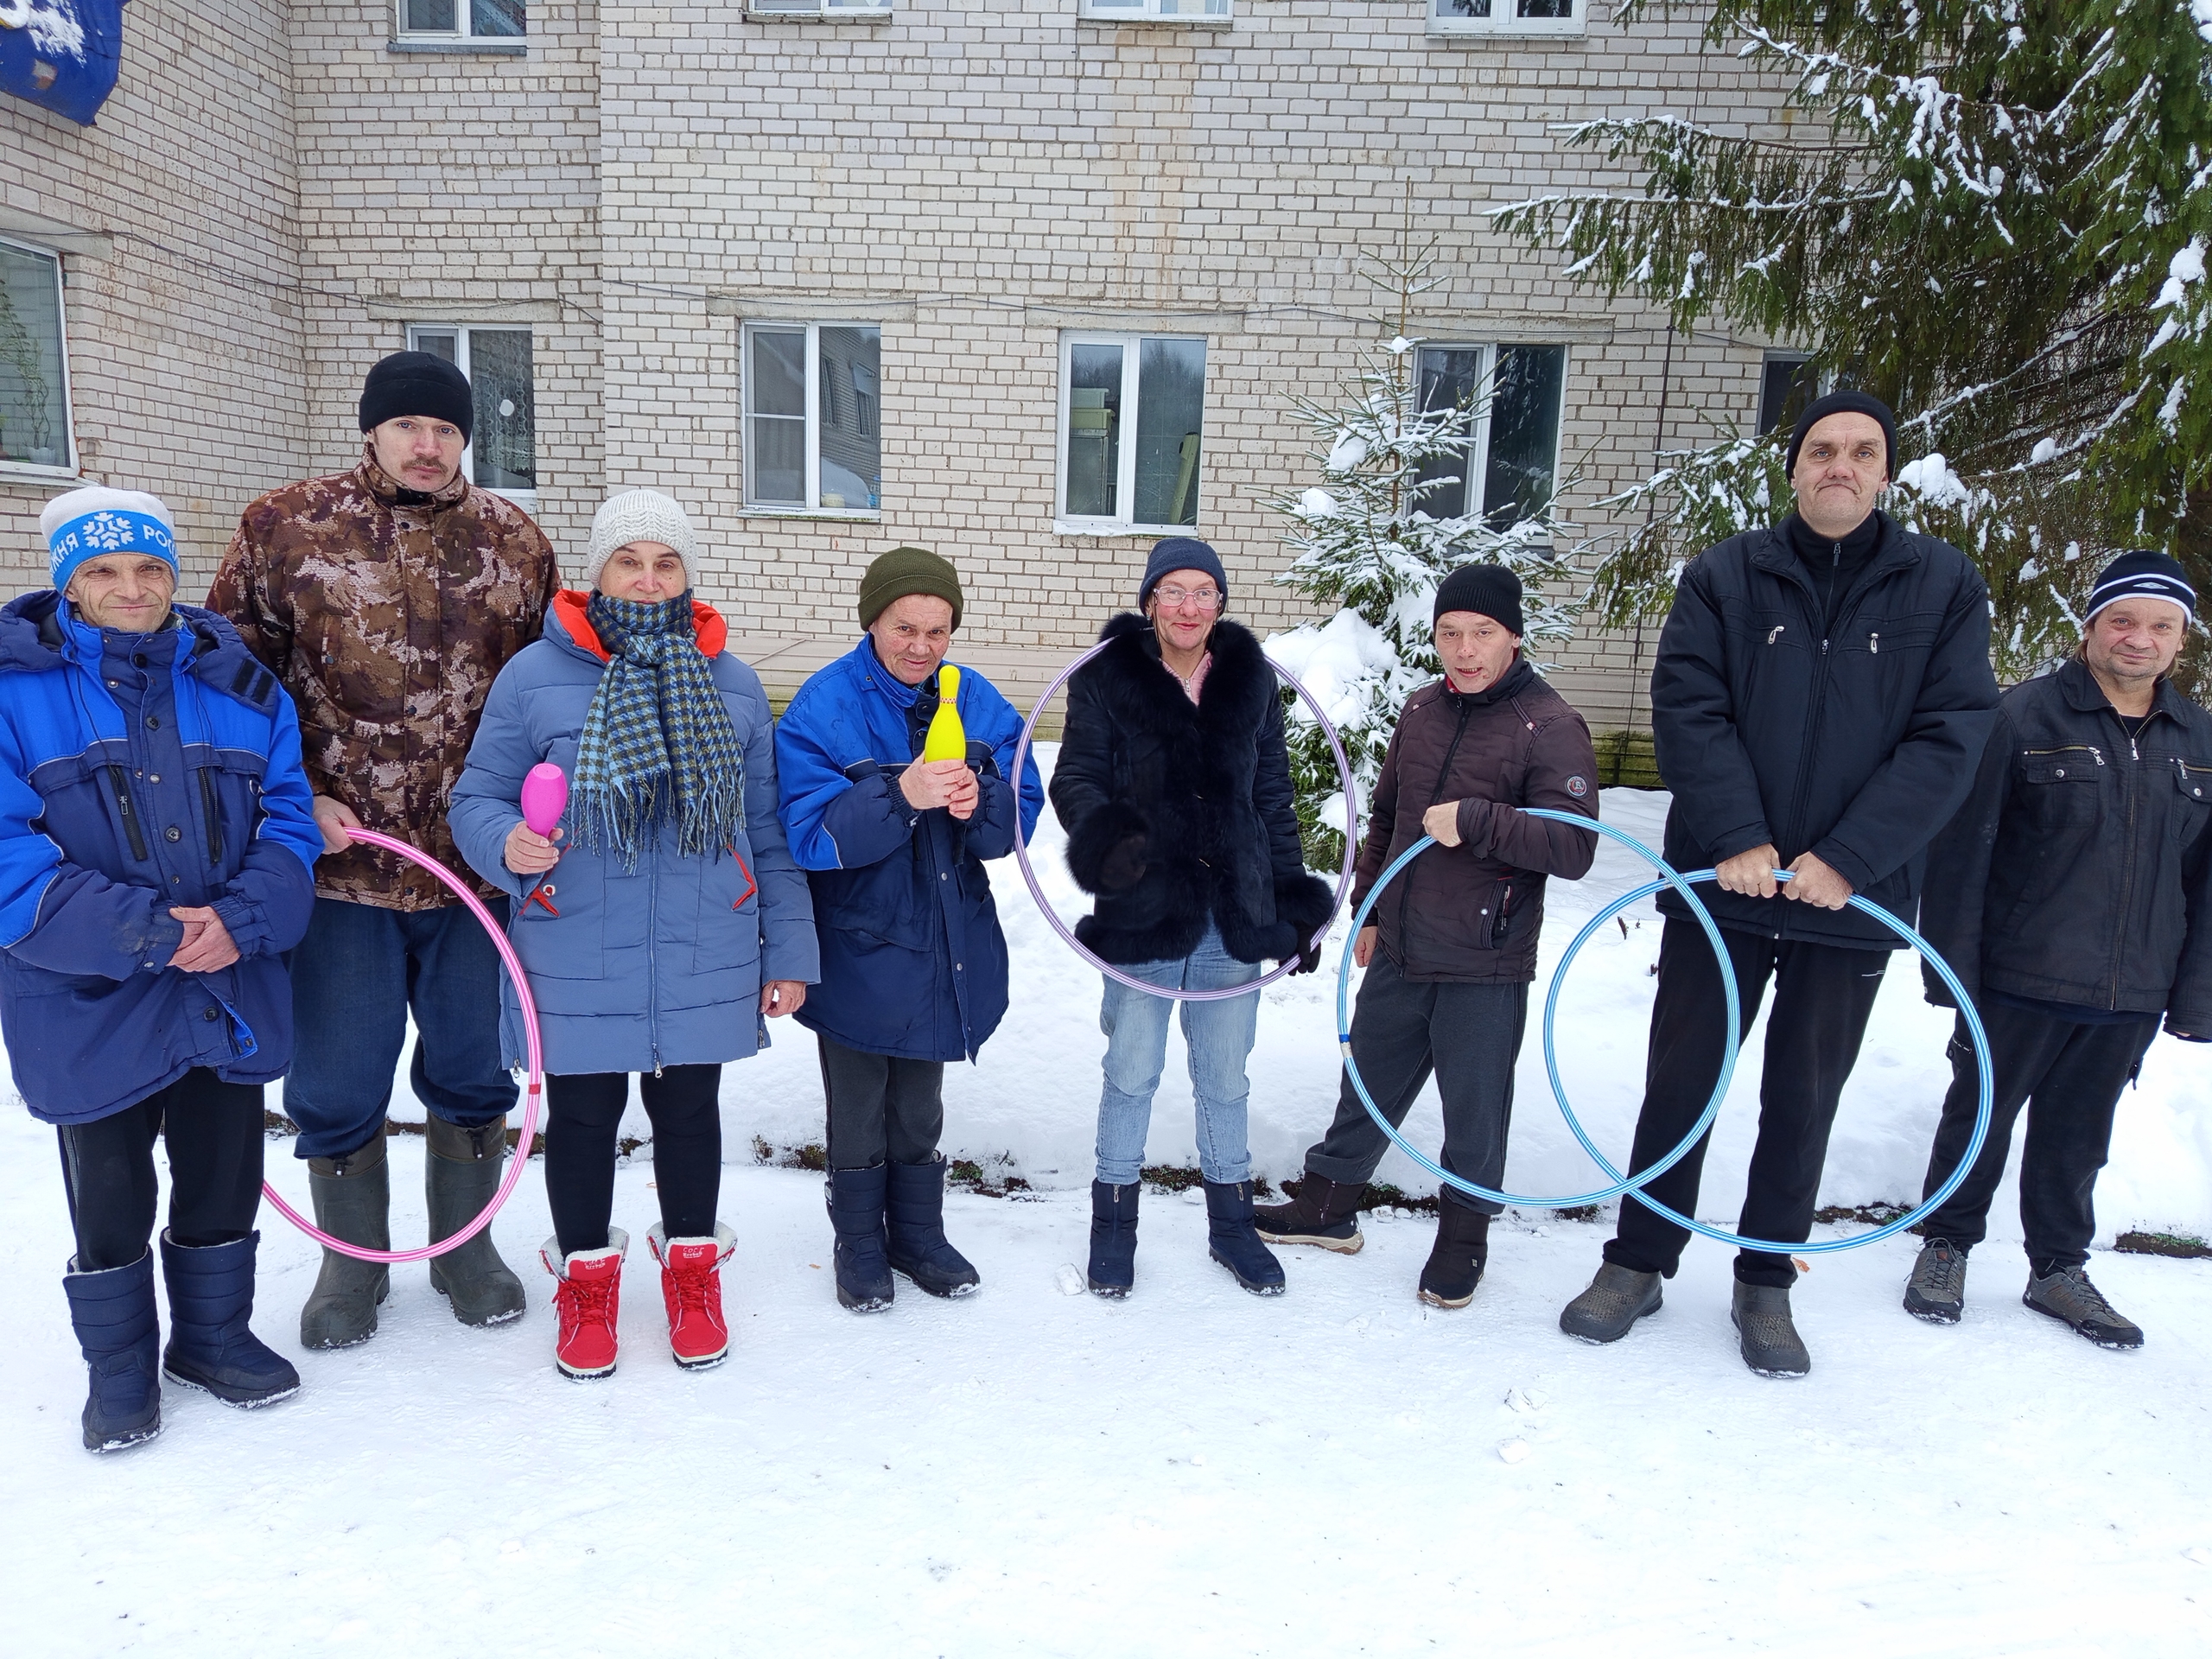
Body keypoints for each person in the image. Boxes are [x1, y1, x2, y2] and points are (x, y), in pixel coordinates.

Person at [1557, 390, 2000, 1377]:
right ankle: (1638, 1258)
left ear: (1885, 473)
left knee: (1803, 1095)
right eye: (1821, 450)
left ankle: (1766, 1281)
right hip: (1726, 885)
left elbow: (1951, 735)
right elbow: (1689, 705)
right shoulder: (1725, 575)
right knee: (1682, 1082)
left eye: (1861, 451)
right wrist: (1741, 836)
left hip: (1852, 896)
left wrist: (1851, 857)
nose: (1839, 465)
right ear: (1793, 468)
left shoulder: (1942, 586)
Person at [208, 350, 558, 1349]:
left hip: (473, 871)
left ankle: (463, 1251)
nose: (426, 444)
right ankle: (351, 1267)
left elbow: (544, 690)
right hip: (341, 869)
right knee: (339, 1076)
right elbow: (233, 685)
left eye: (446, 429)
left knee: (469, 1068)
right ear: (371, 430)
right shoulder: (285, 529)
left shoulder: (513, 541)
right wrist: (292, 797)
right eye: (408, 425)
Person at [451, 490, 817, 1377]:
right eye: (629, 561)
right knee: (581, 1118)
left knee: (690, 1113)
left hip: (707, 942)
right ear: (597, 572)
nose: (648, 579)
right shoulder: (535, 677)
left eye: (666, 563)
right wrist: (508, 844)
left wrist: (790, 949)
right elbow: (476, 801)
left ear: (688, 576)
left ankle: (693, 1274)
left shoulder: (729, 681)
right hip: (572, 940)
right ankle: (586, 1285)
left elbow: (763, 827)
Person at [3, 488, 323, 1451]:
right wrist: (153, 932)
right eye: (101, 573)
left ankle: (214, 1336)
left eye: (148, 570)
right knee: (109, 1189)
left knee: (222, 1167)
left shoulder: (239, 686)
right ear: (67, 583)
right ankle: (120, 1368)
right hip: (88, 995)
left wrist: (244, 918)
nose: (129, 589)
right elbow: (10, 861)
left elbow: (291, 819)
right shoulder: (14, 695)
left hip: (226, 982)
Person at [1254, 565, 1599, 1306]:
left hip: (1486, 960)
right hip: (1403, 945)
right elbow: (1388, 819)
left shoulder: (1551, 725)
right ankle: (1327, 1206)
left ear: (1513, 636)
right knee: (1367, 1086)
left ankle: (1463, 1241)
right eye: (1450, 633)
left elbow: (1574, 849)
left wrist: (1477, 819)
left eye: (1482, 633)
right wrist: (1371, 912)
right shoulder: (1422, 709)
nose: (1465, 650)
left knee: (1475, 1114)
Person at [1907, 551, 2209, 1347]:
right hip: (2018, 974)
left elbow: (2206, 882)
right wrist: (1952, 973)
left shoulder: (2200, 739)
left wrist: (2195, 994)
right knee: (1979, 1115)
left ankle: (2058, 1269)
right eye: (2123, 620)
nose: (2138, 639)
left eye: (2160, 626)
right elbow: (1962, 853)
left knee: (2081, 1135)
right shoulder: (2022, 718)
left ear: (2181, 641)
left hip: (2132, 987)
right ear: (2091, 628)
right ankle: (1946, 1245)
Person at [1049, 538, 1334, 1298]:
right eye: (1173, 591)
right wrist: (1112, 842)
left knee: (1225, 1079)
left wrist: (1289, 902)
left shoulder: (1248, 682)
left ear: (1220, 602)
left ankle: (1232, 1229)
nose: (1187, 607)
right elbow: (1073, 777)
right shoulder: (1109, 677)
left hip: (1232, 911)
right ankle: (1113, 1229)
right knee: (1131, 1072)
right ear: (1149, 600)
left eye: (1203, 591)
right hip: (1143, 909)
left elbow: (1271, 797)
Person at [775, 548, 1044, 1313]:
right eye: (904, 627)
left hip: (944, 945)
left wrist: (979, 805)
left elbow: (1020, 803)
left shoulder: (976, 699)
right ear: (873, 621)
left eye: (937, 629)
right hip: (860, 943)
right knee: (858, 1108)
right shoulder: (825, 706)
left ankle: (917, 1233)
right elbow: (809, 834)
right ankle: (859, 1243)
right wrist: (903, 792)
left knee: (919, 1104)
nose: (920, 645)